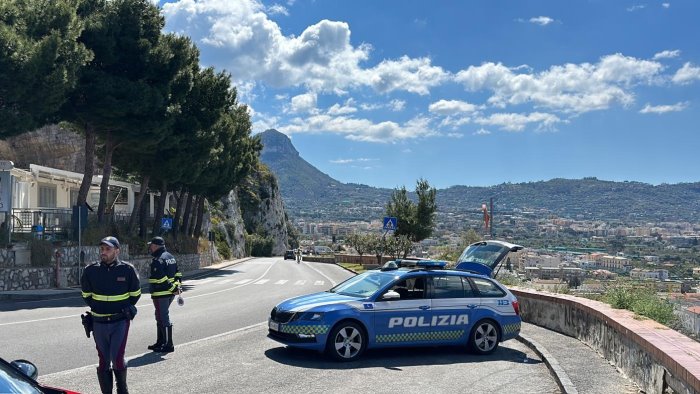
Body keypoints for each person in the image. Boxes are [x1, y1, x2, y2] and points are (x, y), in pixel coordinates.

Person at [81, 236, 140, 394]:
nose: (104, 252)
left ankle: (122, 389)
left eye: (108, 249)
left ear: (117, 251)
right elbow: (86, 295)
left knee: (117, 359)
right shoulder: (90, 271)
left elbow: (135, 294)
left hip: (119, 322)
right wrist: (99, 308)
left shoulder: (127, 270)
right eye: (102, 249)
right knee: (103, 360)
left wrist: (123, 307)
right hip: (99, 322)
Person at [146, 236, 181, 353]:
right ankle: (160, 342)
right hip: (169, 293)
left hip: (161, 293)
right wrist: (177, 287)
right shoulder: (171, 257)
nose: (150, 247)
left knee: (163, 317)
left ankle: (168, 344)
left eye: (151, 245)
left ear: (155, 246)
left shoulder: (158, 260)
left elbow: (161, 278)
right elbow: (178, 274)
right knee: (160, 316)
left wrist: (172, 288)